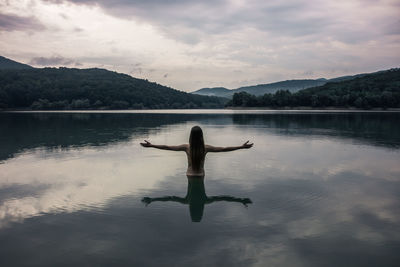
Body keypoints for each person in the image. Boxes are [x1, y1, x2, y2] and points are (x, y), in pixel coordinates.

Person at [140, 125, 253, 176]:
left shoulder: (186, 147)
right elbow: (224, 149)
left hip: (189, 175)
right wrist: (241, 147)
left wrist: (152, 145)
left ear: (190, 136)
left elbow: (167, 147)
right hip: (200, 175)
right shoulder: (206, 148)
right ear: (201, 136)